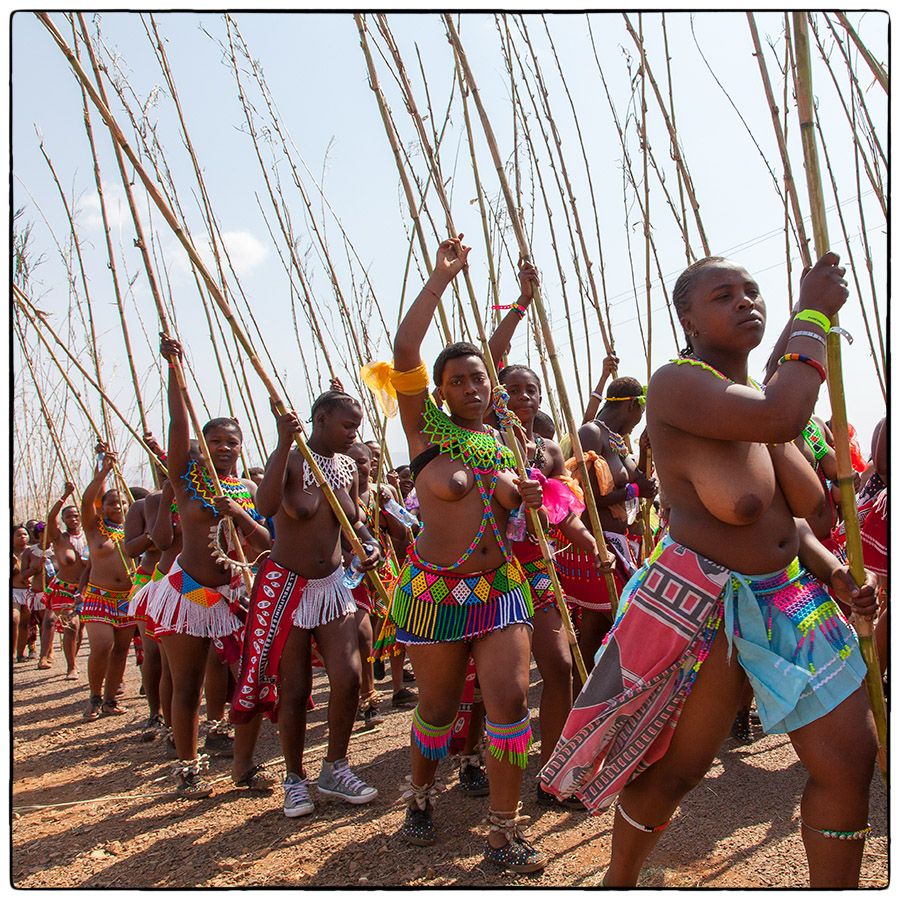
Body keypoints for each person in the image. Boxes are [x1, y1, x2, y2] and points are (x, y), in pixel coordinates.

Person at [541, 252, 877, 889]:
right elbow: (782, 413)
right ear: (688, 322)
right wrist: (812, 314)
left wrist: (832, 569)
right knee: (675, 773)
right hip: (705, 608)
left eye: (751, 290)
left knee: (850, 763)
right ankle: (619, 884)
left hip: (791, 601)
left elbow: (790, 521)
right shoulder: (677, 386)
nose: (745, 300)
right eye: (723, 295)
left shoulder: (757, 402)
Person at [382, 236, 548, 873]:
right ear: (441, 392)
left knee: (509, 703)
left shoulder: (503, 443)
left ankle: (503, 832)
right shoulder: (425, 434)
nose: (472, 387)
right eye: (457, 381)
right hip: (434, 595)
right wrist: (440, 279)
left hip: (500, 589)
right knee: (439, 708)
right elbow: (405, 351)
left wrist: (525, 494)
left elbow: (507, 502)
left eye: (479, 377)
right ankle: (420, 797)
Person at [487, 260, 609, 808]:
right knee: (489, 689)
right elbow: (492, 355)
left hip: (538, 571)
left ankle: (552, 771)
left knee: (559, 666)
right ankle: (468, 762)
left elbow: (565, 516)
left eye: (531, 389)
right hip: (486, 573)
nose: (522, 395)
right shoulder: (487, 436)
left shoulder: (548, 451)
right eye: (511, 388)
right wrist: (522, 304)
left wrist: (596, 549)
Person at [232, 390, 381, 818]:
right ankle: (294, 779)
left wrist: (367, 545)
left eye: (356, 427)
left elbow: (352, 522)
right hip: (286, 588)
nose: (353, 434)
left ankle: (335, 767)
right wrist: (283, 443)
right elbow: (264, 506)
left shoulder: (347, 467)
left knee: (349, 676)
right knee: (294, 689)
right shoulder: (291, 459)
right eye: (347, 425)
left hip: (332, 585)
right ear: (320, 419)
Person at [150, 336, 273, 799]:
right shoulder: (186, 482)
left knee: (250, 680)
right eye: (215, 441)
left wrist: (240, 515)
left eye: (231, 442)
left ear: (241, 448)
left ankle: (243, 764)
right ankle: (187, 768)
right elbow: (177, 424)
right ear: (201, 448)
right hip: (188, 592)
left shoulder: (248, 491)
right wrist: (175, 372)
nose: (223, 447)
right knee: (188, 685)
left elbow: (264, 544)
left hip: (236, 596)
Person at [557, 373, 657, 674]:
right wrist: (635, 490)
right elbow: (585, 494)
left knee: (595, 627)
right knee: (629, 624)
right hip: (595, 546)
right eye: (641, 411)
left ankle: (584, 689)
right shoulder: (591, 433)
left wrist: (644, 451)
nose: (639, 419)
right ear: (631, 405)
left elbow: (637, 479)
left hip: (616, 544)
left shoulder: (617, 441)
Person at [79, 452, 138, 718]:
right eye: (112, 503)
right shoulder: (94, 529)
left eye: (122, 502)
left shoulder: (133, 529)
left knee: (121, 650)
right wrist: (104, 470)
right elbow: (86, 500)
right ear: (102, 507)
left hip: (127, 598)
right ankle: (94, 697)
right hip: (98, 597)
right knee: (103, 645)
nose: (118, 507)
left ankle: (110, 700)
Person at [44, 484, 90, 679]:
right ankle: (71, 667)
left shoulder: (89, 536)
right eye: (69, 516)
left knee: (80, 629)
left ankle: (73, 659)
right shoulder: (59, 538)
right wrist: (65, 495)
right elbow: (50, 519)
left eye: (76, 515)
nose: (73, 519)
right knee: (72, 625)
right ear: (63, 519)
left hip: (87, 589)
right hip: (65, 589)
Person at [12, 524, 31, 663]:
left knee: (25, 623)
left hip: (29, 592)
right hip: (14, 590)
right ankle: (12, 653)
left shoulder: (33, 552)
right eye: (18, 535)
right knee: (14, 619)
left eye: (25, 534)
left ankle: (21, 653)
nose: (22, 537)